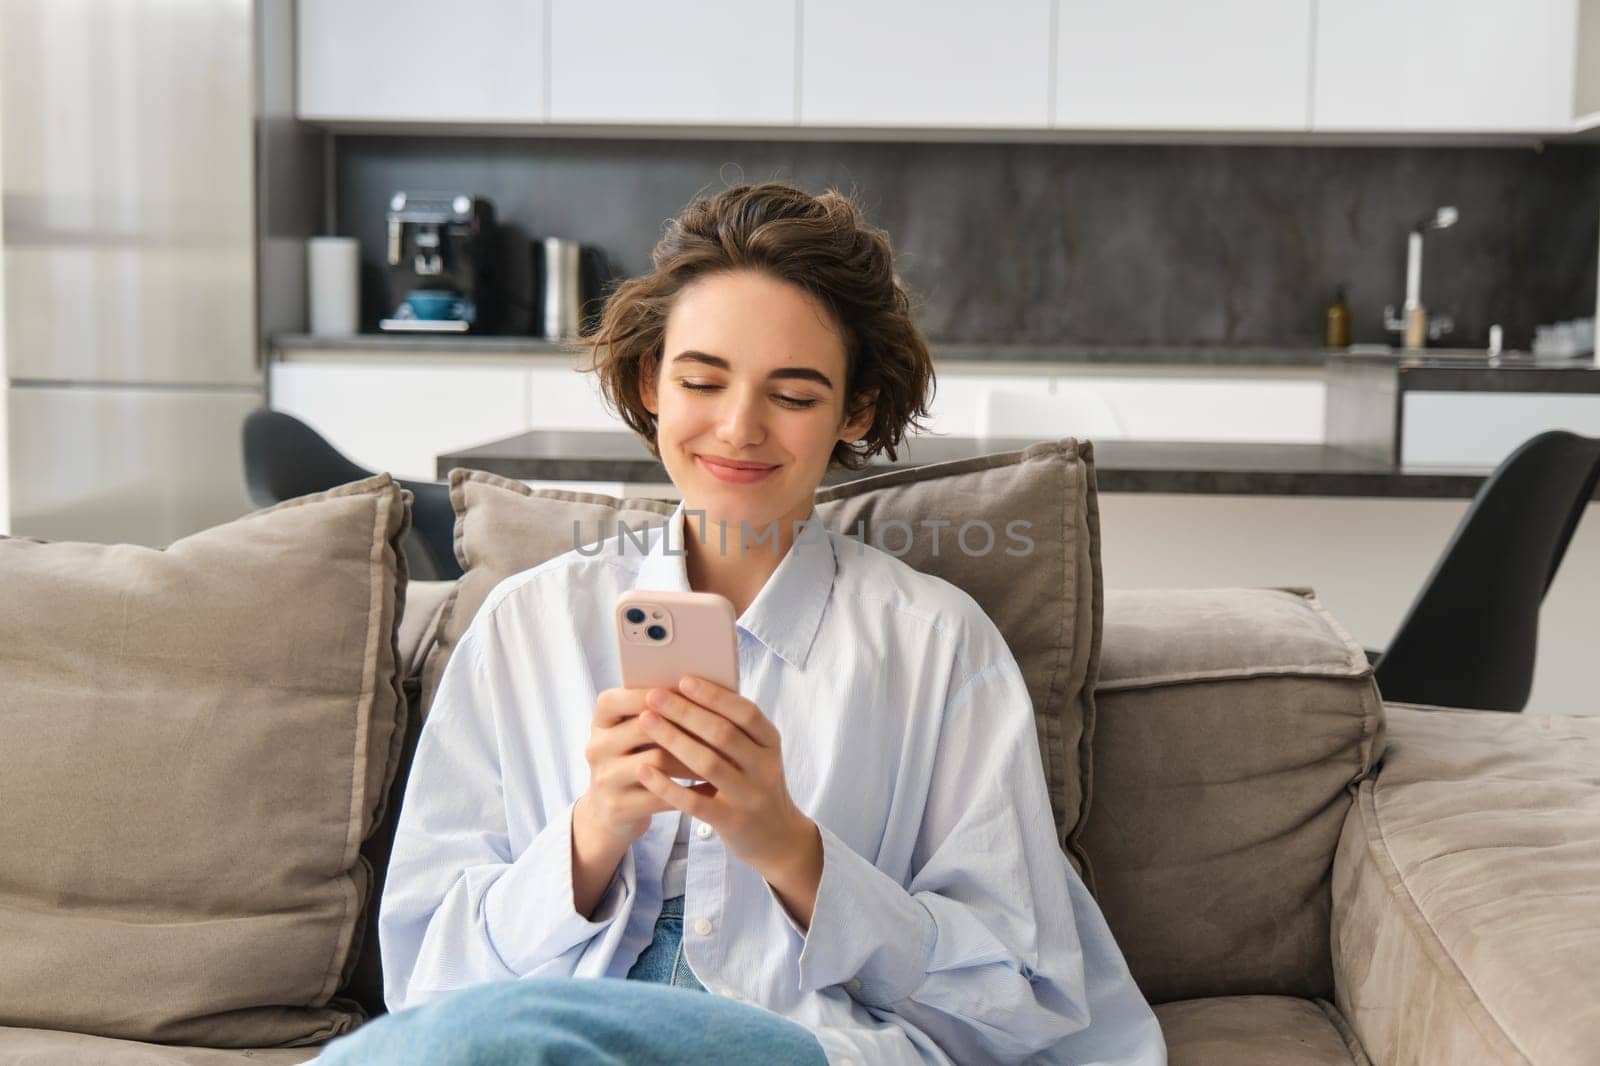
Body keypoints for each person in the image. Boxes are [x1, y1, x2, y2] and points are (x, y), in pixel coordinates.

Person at [315, 181, 1165, 1065]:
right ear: (651, 384)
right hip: (540, 1030)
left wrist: (791, 849)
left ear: (858, 410)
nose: (737, 427)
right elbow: (427, 981)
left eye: (793, 395)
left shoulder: (936, 647)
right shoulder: (527, 627)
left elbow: (1018, 1000)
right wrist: (595, 830)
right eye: (700, 380)